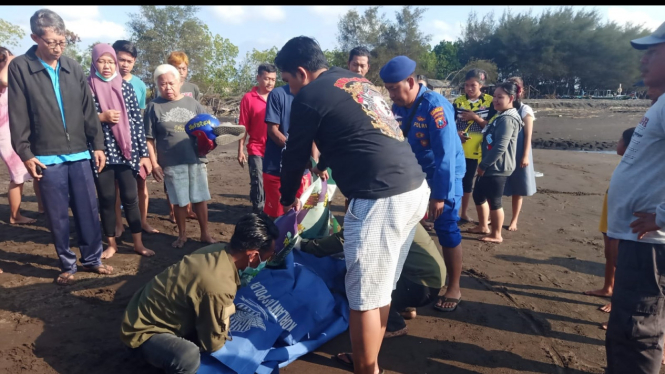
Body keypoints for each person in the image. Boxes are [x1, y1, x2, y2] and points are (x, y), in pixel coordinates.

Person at [274, 36, 429, 374]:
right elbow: (356, 131)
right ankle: (367, 359)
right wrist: (327, 161)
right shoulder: (353, 80)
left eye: (288, 82)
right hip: (415, 188)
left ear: (300, 72)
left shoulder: (309, 96)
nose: (290, 90)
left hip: (381, 198)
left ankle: (366, 369)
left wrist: (287, 201)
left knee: (361, 295)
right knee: (382, 285)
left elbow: (294, 153)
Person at [8, 9, 112, 285]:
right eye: (52, 42)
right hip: (45, 155)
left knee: (88, 209)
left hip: (80, 151)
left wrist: (97, 144)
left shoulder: (72, 66)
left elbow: (88, 109)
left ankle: (92, 259)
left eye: (62, 41)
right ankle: (67, 263)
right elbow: (18, 113)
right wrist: (25, 152)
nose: (58, 47)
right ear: (35, 37)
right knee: (56, 215)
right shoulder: (21, 67)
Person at [120, 213, 278, 374]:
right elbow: (213, 344)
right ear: (253, 256)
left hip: (140, 312)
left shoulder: (217, 250)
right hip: (143, 334)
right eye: (268, 257)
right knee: (188, 357)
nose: (267, 262)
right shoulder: (219, 285)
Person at [382, 56, 465, 313]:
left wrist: (439, 196)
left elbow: (446, 156)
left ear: (410, 81)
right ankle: (412, 289)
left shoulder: (435, 107)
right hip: (415, 174)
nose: (391, 93)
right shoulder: (398, 107)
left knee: (446, 227)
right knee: (409, 227)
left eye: (395, 88)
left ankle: (454, 286)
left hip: (443, 176)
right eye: (388, 89)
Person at [605, 23, 665, 373]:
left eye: (654, 52)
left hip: (650, 245)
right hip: (640, 241)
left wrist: (662, 216)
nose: (643, 60)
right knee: (629, 326)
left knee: (638, 331)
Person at [299, 199, 445, 340]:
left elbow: (344, 240)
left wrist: (304, 245)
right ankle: (404, 307)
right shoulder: (395, 204)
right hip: (429, 280)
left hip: (419, 286)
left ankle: (394, 324)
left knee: (355, 281)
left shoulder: (371, 211)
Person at [87, 43, 154, 259]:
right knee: (106, 199)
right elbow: (80, 118)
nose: (106, 66)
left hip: (127, 152)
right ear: (94, 62)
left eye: (110, 62)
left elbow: (136, 122)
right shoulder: (87, 87)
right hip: (101, 151)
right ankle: (112, 245)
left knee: (130, 198)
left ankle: (138, 243)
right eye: (101, 61)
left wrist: (143, 154)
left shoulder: (126, 87)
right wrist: (101, 117)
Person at [144, 64, 215, 248]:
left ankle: (205, 234)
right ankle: (182, 235)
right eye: (162, 84)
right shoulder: (153, 107)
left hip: (196, 159)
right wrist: (154, 163)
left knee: (200, 198)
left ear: (179, 82)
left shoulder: (193, 104)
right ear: (157, 86)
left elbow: (208, 131)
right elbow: (149, 139)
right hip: (171, 161)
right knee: (179, 201)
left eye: (171, 83)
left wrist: (209, 143)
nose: (167, 87)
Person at [467, 81, 523, 244]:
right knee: (478, 194)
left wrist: (484, 165)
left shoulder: (508, 118)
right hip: (489, 165)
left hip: (497, 167)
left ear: (511, 98)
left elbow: (500, 146)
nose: (496, 100)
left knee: (495, 200)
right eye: (495, 97)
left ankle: (496, 234)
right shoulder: (500, 115)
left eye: (500, 97)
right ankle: (483, 226)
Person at [112, 39, 158, 234]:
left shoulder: (138, 85)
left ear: (134, 62)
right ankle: (118, 224)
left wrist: (143, 151)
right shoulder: (103, 82)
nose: (123, 64)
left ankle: (142, 221)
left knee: (141, 183)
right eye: (119, 59)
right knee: (115, 187)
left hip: (134, 142)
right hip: (112, 143)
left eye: (128, 61)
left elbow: (138, 118)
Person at [1, 46, 43, 225]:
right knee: (17, 175)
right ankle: (15, 216)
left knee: (37, 171)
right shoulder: (3, 79)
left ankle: (43, 207)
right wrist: (11, 59)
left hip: (19, 131)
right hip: (6, 134)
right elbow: (4, 78)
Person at [263, 82, 314, 219]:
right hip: (277, 167)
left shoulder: (313, 95)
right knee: (278, 218)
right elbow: (273, 131)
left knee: (302, 216)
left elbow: (315, 133)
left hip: (303, 170)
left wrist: (315, 162)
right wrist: (297, 152)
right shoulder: (278, 94)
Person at [452, 69, 496, 223]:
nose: (469, 89)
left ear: (482, 85)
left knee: (486, 184)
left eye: (473, 85)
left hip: (483, 150)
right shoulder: (458, 102)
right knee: (464, 182)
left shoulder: (491, 101)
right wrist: (456, 134)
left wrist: (475, 117)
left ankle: (490, 216)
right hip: (462, 150)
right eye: (466, 85)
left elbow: (492, 127)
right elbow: (450, 124)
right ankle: (462, 213)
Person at [237, 63, 276, 214]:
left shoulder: (277, 96)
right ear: (258, 78)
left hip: (275, 148)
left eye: (273, 79)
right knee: (258, 181)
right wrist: (240, 150)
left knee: (272, 182)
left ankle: (270, 211)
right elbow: (243, 126)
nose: (270, 82)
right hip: (256, 148)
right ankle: (259, 213)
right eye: (266, 78)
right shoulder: (248, 98)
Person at [166, 51, 199, 222]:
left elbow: (198, 113)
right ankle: (173, 211)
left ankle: (189, 209)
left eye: (183, 68)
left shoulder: (193, 89)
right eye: (176, 68)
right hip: (171, 137)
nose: (181, 71)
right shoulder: (164, 86)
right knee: (171, 179)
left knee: (191, 176)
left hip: (190, 138)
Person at [502, 76, 537, 231]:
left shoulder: (525, 110)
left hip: (519, 152)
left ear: (520, 90)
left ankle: (514, 220)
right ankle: (494, 217)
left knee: (518, 188)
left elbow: (528, 135)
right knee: (499, 186)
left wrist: (524, 155)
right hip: (505, 152)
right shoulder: (504, 108)